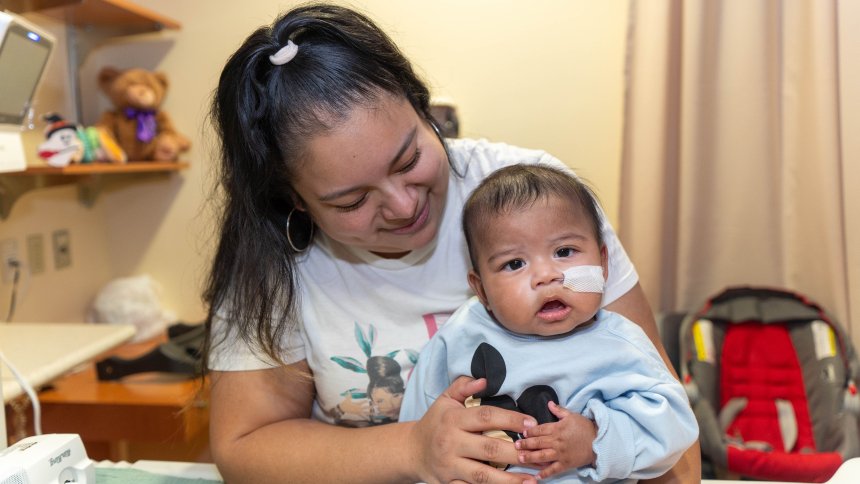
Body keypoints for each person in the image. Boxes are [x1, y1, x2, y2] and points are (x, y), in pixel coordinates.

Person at [203, 3, 701, 483]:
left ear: (424, 110)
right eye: (352, 201)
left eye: (408, 159)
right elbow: (245, 447)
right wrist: (414, 448)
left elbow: (662, 416)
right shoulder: (273, 257)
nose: (401, 205)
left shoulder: (537, 203)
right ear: (293, 200)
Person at [399, 164, 699, 483]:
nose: (546, 276)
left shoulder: (621, 345)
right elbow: (421, 428)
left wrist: (596, 442)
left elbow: (674, 427)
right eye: (515, 263)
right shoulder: (461, 334)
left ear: (603, 265)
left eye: (564, 251)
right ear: (482, 289)